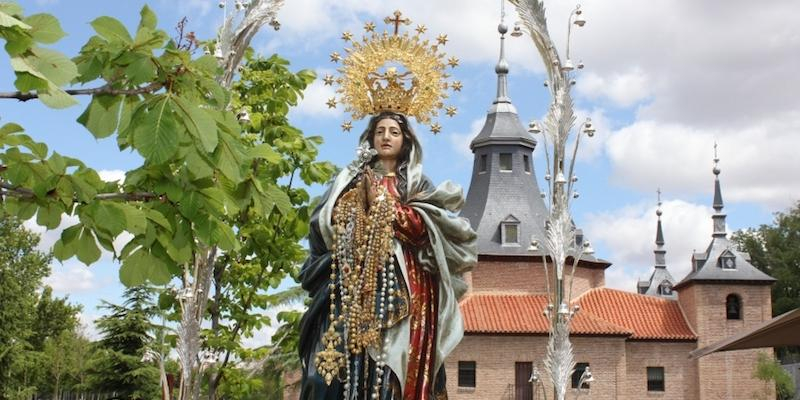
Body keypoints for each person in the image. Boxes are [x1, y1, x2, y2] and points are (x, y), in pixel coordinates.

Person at [299, 112, 477, 400]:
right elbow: (324, 223)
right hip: (354, 286)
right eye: (380, 131)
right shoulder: (350, 179)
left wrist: (383, 205)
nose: (385, 137)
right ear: (370, 138)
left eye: (394, 132)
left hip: (407, 287)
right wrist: (353, 212)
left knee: (394, 366)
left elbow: (429, 226)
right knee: (334, 366)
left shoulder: (416, 184)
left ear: (405, 140)